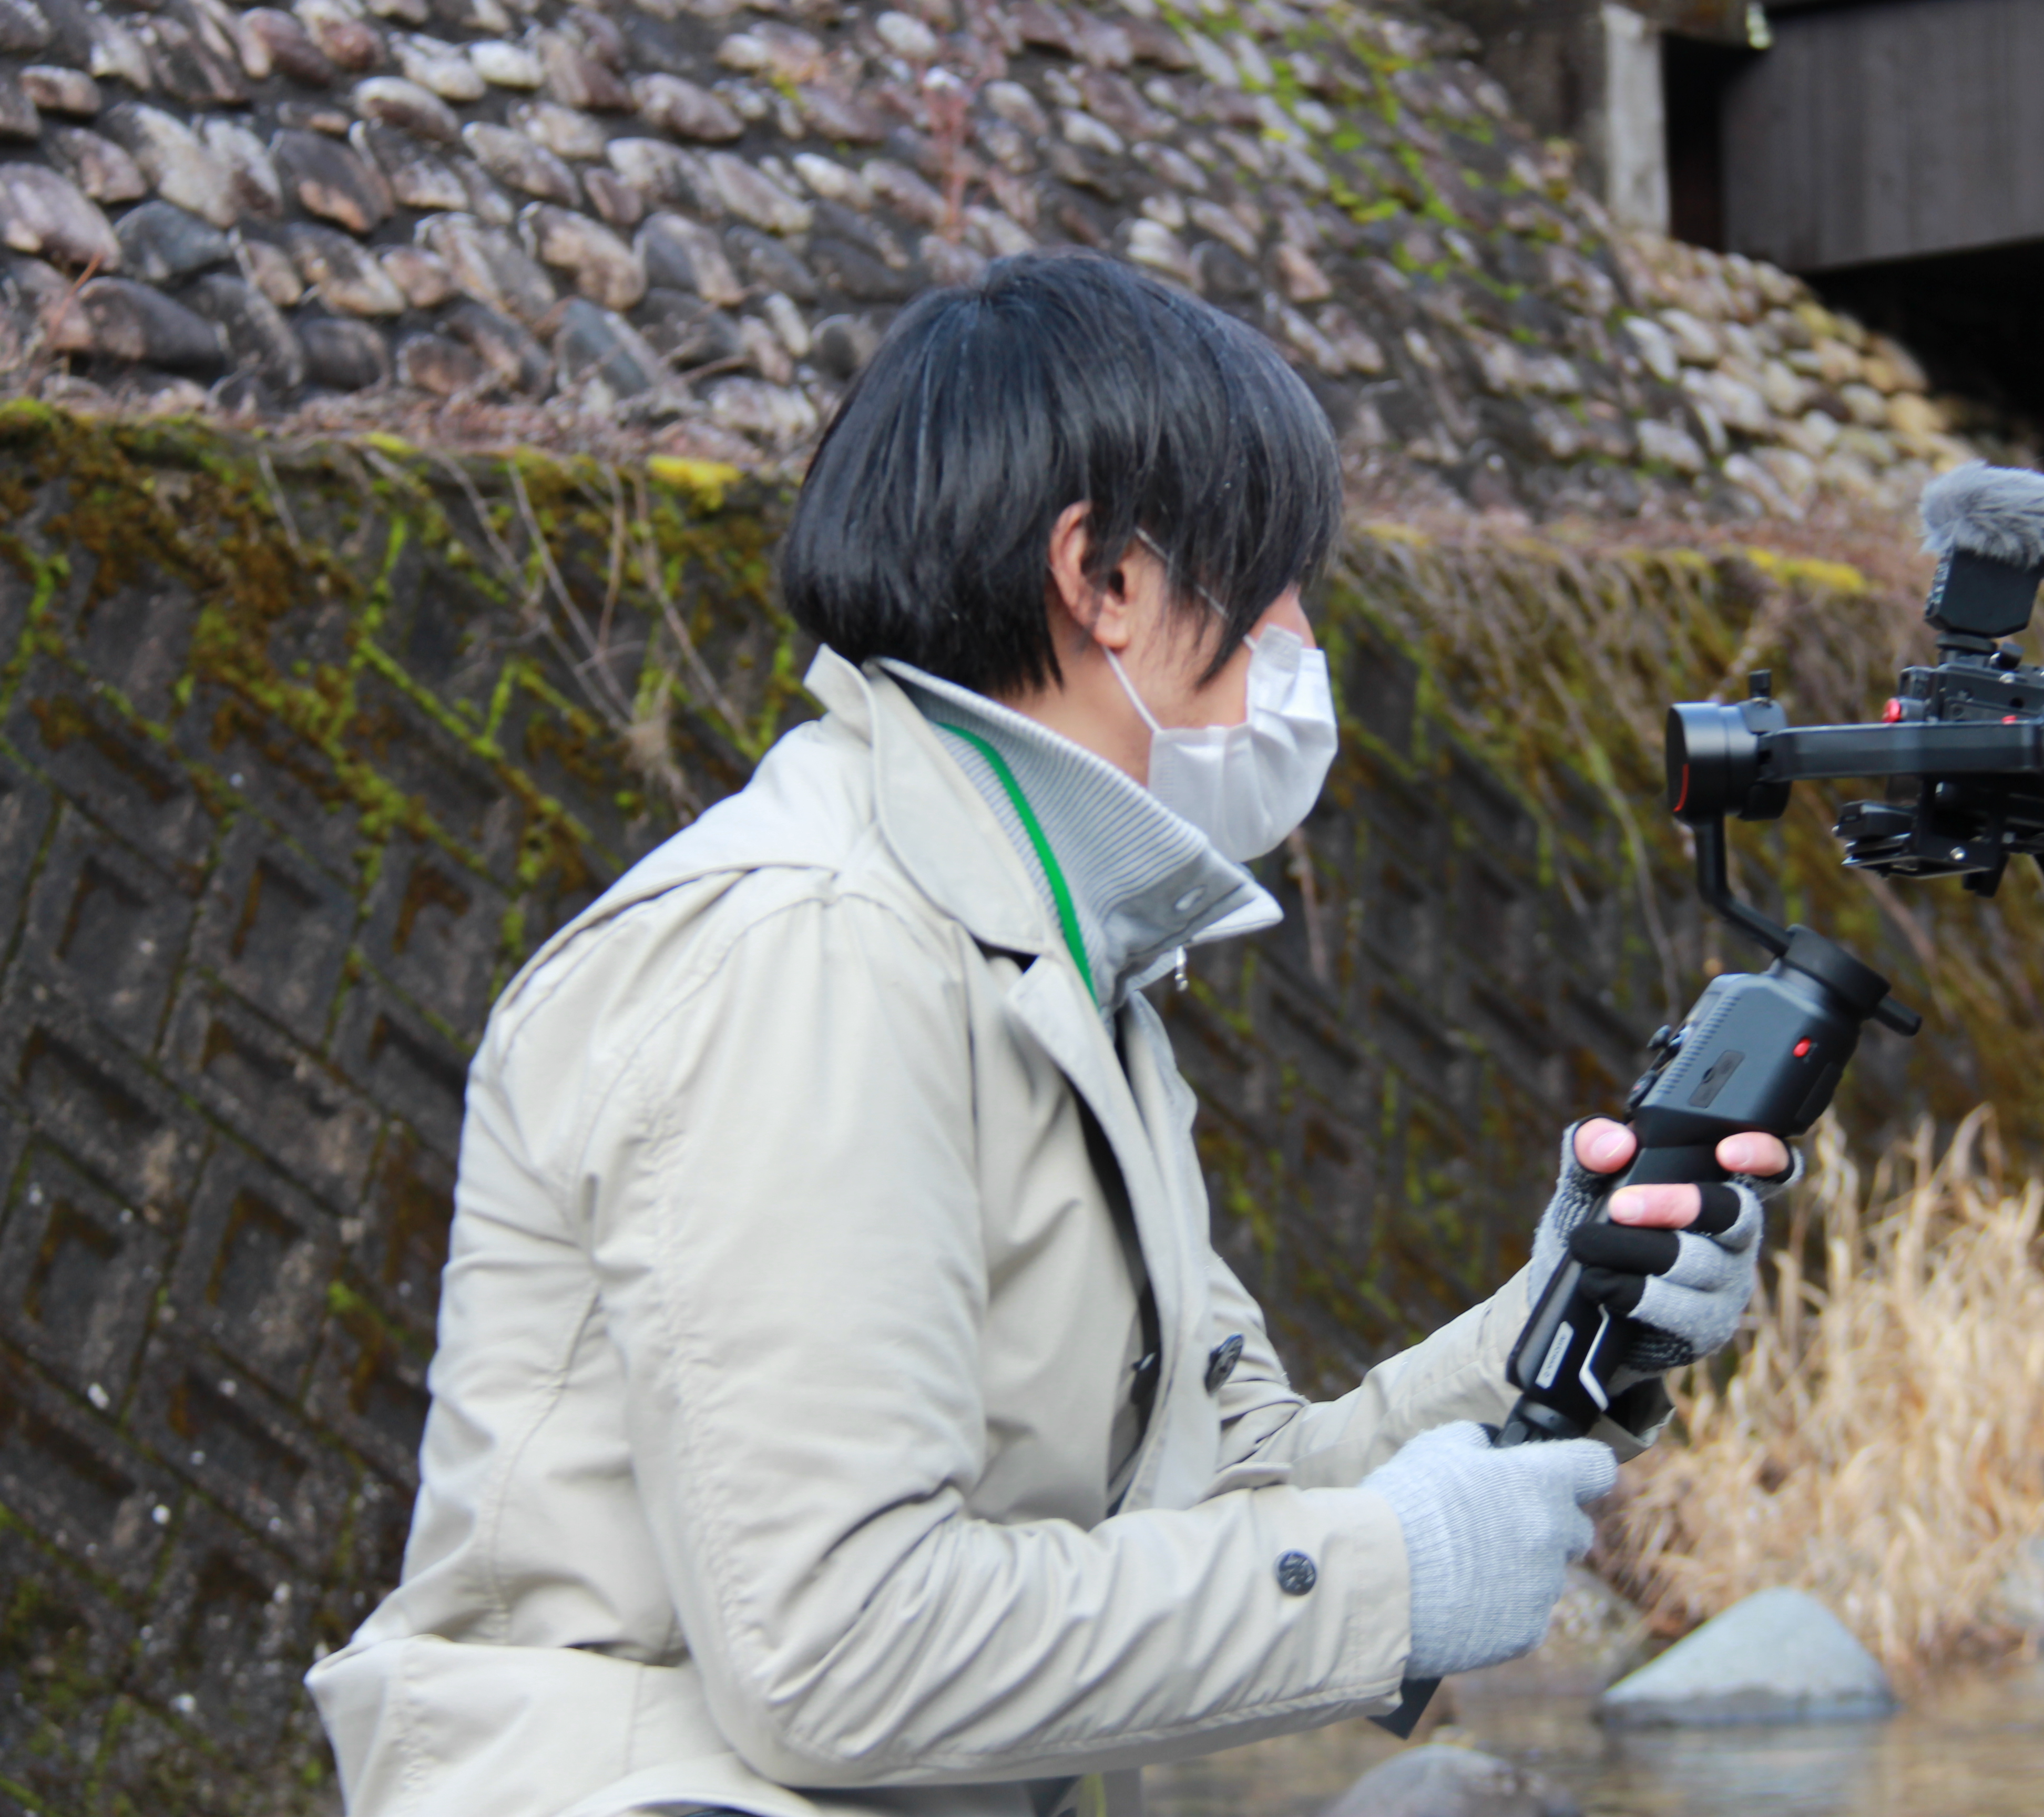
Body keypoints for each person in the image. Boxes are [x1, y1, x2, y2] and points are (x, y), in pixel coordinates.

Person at [306, 251, 1786, 1817]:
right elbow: (840, 1654)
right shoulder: (814, 951)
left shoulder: (1051, 959)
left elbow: (1223, 1501)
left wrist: (1551, 1322)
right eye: (1276, 584)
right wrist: (1390, 1579)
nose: (1297, 642)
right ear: (1109, 582)